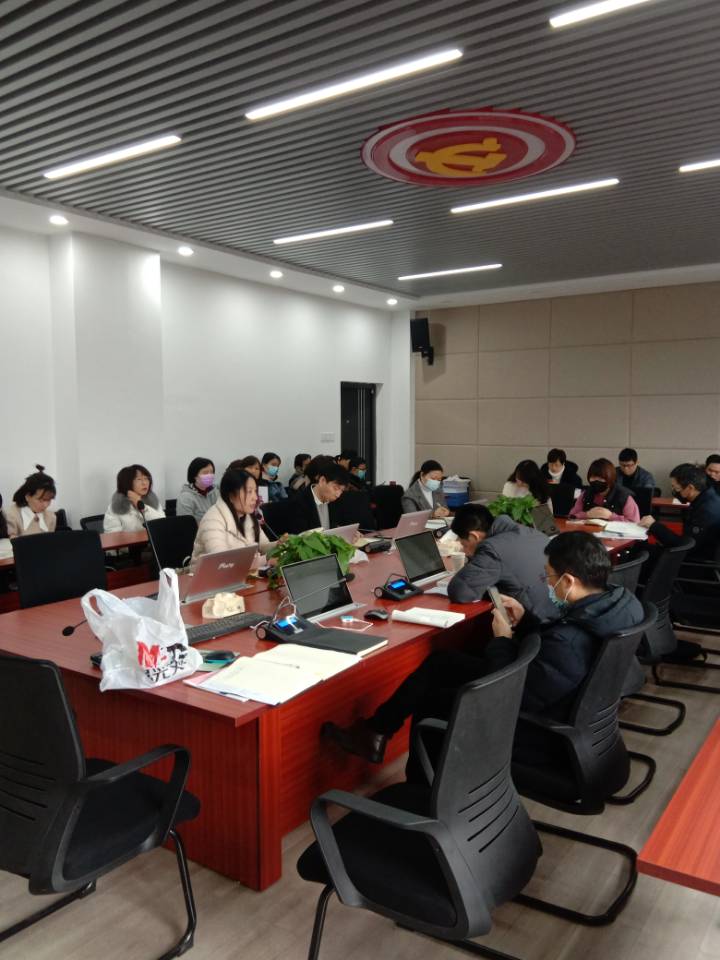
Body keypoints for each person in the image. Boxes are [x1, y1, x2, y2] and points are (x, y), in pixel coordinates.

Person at [323, 532, 644, 765]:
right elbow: (558, 647)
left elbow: (509, 693)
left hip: (542, 733)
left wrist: (502, 640)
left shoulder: (570, 642)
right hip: (570, 707)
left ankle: (426, 797)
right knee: (442, 663)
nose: (547, 584)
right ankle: (375, 733)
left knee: (435, 701)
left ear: (569, 581)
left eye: (548, 577)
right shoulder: (620, 603)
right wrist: (528, 620)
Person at [446, 504, 556, 617]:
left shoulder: (492, 549)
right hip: (557, 612)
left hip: (536, 622)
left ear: (474, 536)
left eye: (464, 545)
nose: (465, 551)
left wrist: (473, 560)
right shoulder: (532, 533)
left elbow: (460, 592)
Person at [190, 468, 270, 571]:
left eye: (255, 491)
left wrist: (280, 545)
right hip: (207, 578)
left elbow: (264, 545)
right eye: (249, 492)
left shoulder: (247, 516)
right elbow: (223, 564)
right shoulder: (212, 520)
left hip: (241, 576)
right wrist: (265, 559)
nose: (255, 497)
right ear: (231, 496)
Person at [639, 463, 720, 561]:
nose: (674, 491)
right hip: (696, 553)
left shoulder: (706, 511)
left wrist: (654, 526)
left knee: (641, 552)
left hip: (695, 561)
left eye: (676, 488)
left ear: (690, 488)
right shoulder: (708, 497)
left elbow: (685, 546)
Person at [287, 461, 352, 533]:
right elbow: (300, 536)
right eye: (335, 488)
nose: (338, 495)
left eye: (342, 490)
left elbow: (336, 525)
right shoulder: (298, 503)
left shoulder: (337, 501)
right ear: (322, 480)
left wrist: (347, 531)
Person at [569, 458, 640, 522]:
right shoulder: (586, 494)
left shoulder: (624, 497)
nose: (596, 481)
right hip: (589, 531)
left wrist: (611, 516)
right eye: (593, 477)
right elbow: (572, 516)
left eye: (601, 478)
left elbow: (634, 522)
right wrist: (587, 514)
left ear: (610, 478)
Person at [103, 464, 165, 532]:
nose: (144, 483)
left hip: (153, 539)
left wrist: (143, 507)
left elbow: (163, 524)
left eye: (146, 478)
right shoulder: (116, 506)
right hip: (131, 540)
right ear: (127, 482)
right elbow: (112, 535)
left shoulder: (152, 501)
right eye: (139, 479)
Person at [3, 465, 57, 536]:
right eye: (41, 500)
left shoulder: (51, 517)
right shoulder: (10, 514)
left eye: (49, 500)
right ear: (27, 496)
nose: (45, 505)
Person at [176, 457, 219, 523]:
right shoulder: (186, 497)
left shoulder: (215, 492)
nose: (210, 475)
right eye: (205, 473)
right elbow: (185, 524)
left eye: (212, 472)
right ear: (195, 476)